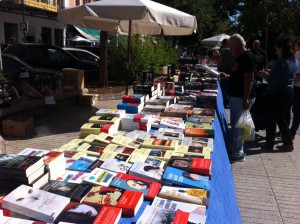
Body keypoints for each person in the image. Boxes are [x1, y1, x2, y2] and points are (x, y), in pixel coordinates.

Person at [219, 34, 256, 162]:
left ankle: (238, 153)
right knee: (238, 125)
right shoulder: (240, 57)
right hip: (238, 96)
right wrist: (228, 76)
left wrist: (245, 99)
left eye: (230, 47)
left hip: (241, 97)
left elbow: (249, 79)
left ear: (236, 46)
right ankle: (237, 150)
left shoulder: (246, 57)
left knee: (240, 127)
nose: (229, 49)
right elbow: (239, 76)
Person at [258, 37, 297, 151]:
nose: (276, 51)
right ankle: (287, 143)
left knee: (272, 119)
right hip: (289, 92)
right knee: (281, 118)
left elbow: (273, 81)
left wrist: (265, 75)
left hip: (278, 93)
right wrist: (271, 73)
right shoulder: (293, 60)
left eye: (277, 49)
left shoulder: (281, 62)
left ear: (281, 48)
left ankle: (269, 144)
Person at [286, 38, 300, 139]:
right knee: (292, 110)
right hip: (294, 86)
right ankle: (288, 131)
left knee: (295, 111)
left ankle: (291, 132)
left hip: (296, 87)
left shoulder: (298, 54)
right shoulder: (295, 55)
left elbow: (298, 74)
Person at [218, 39, 235, 108]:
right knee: (230, 88)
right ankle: (229, 102)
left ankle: (225, 102)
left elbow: (220, 60)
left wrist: (218, 69)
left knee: (224, 88)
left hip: (224, 72)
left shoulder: (224, 51)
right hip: (232, 72)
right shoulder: (234, 50)